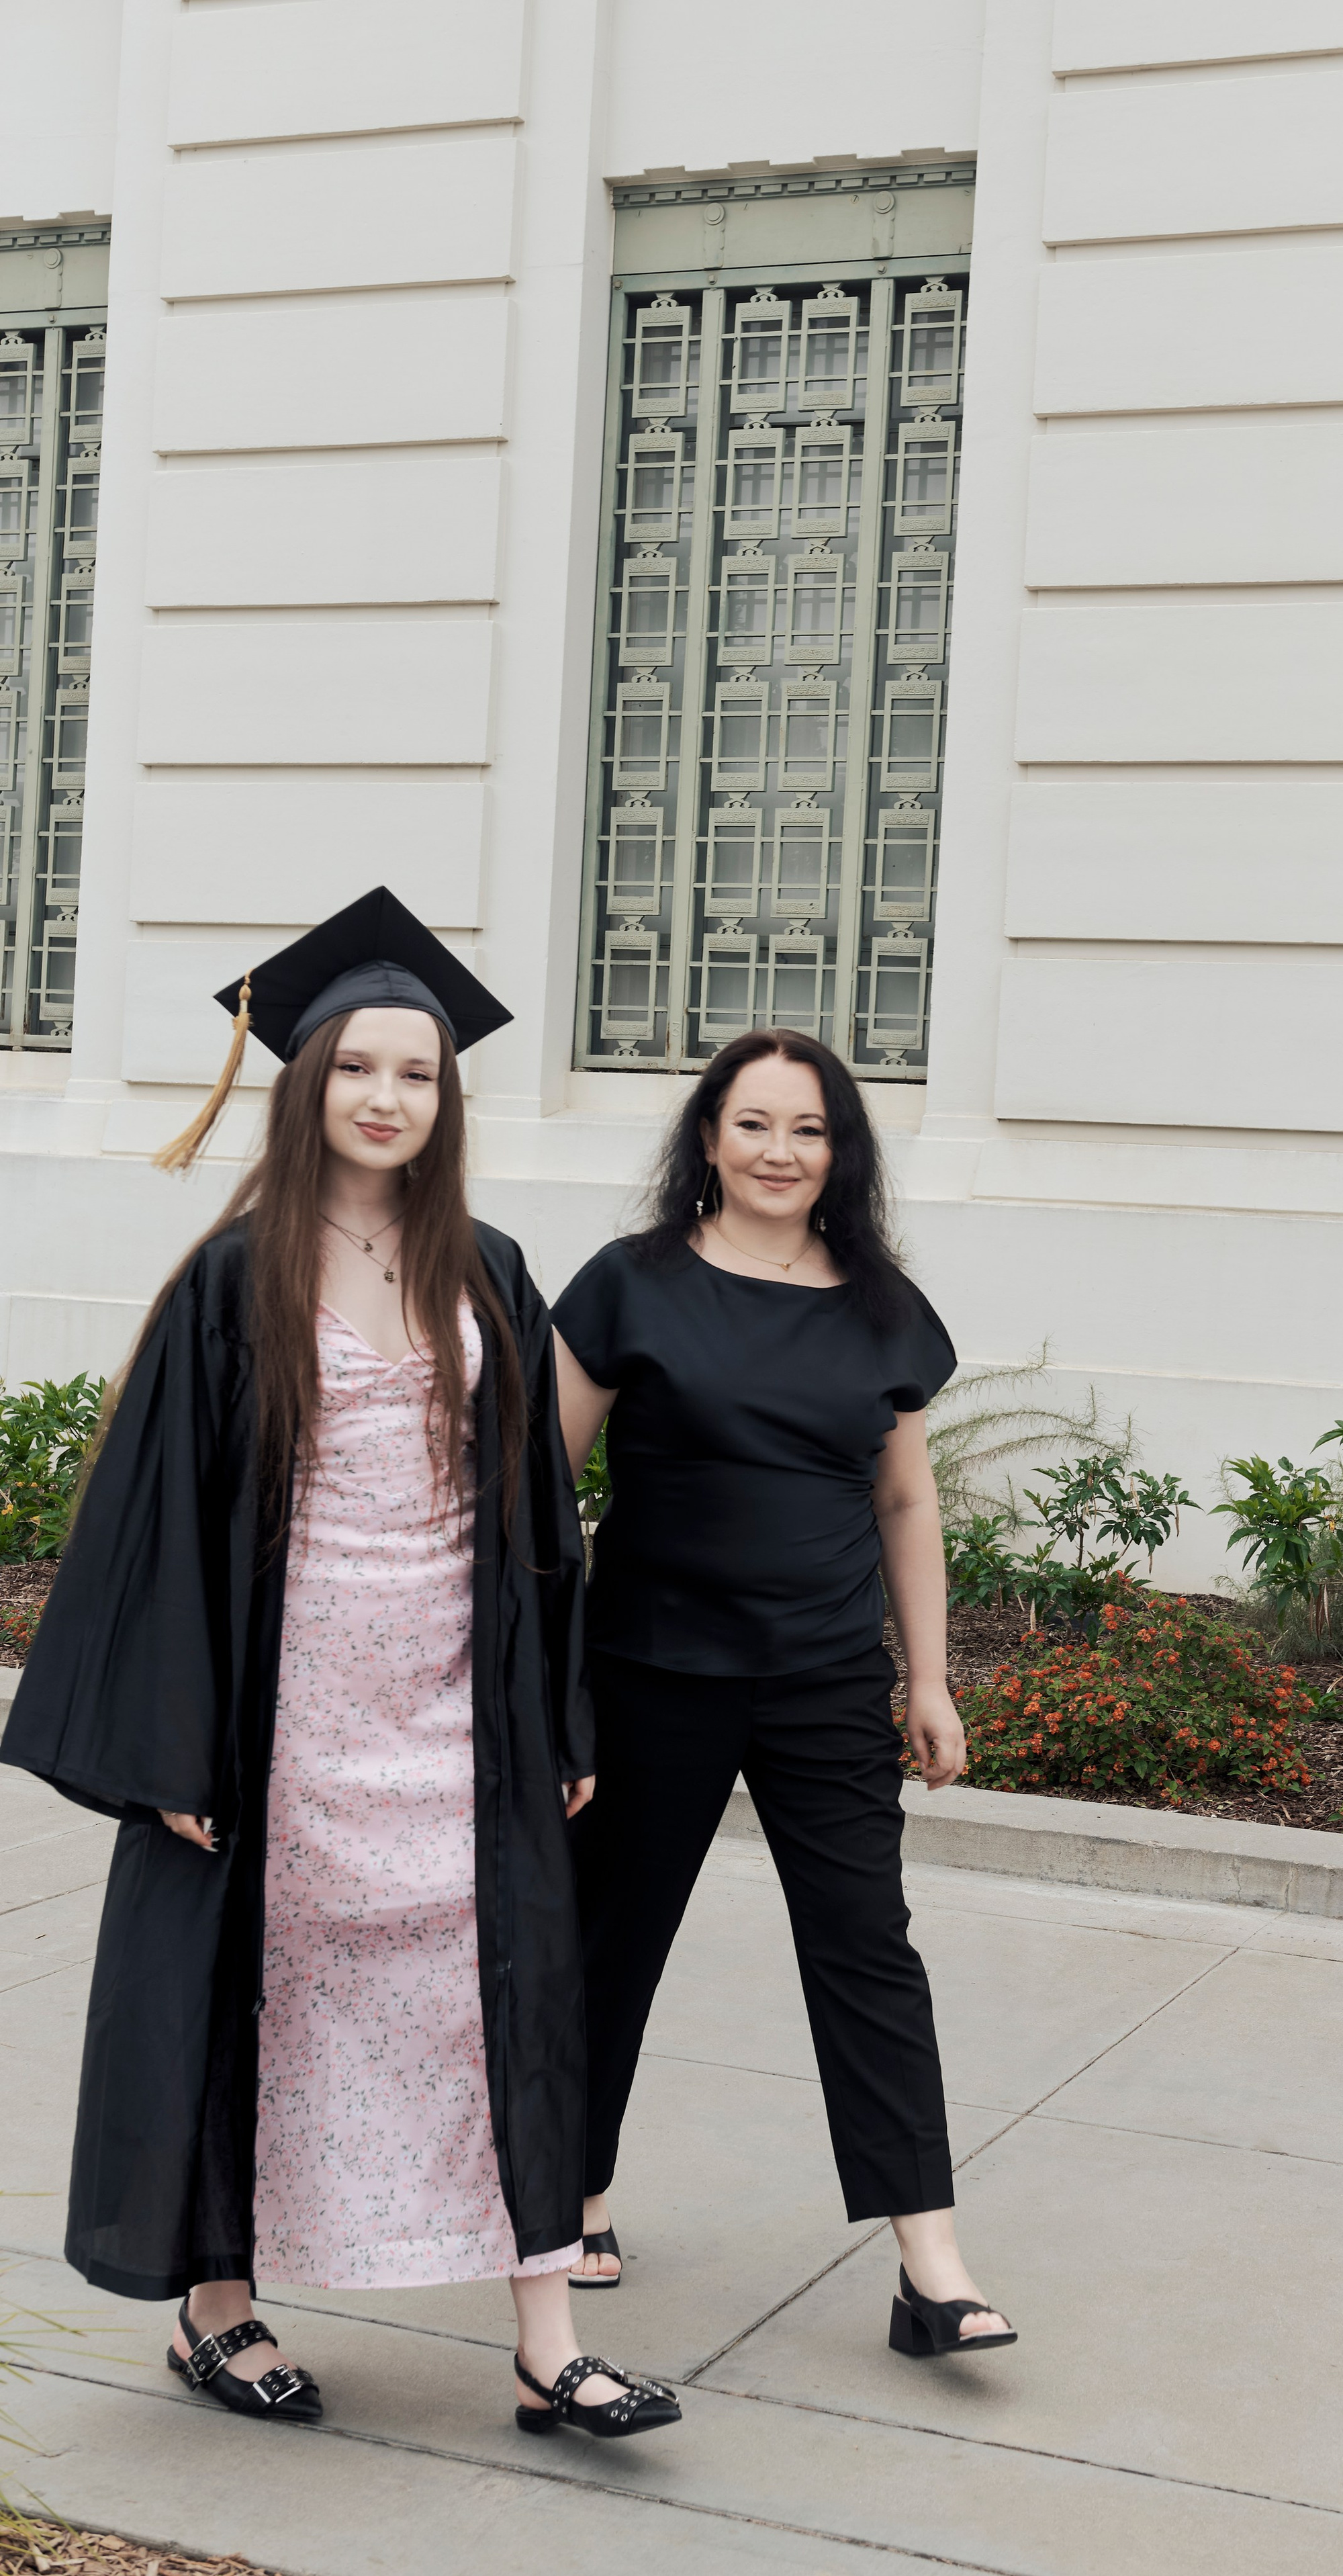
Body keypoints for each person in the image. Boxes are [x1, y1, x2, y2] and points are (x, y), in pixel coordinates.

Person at [0, 888, 678, 2443]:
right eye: (358, 1067)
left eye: (418, 1072)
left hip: (458, 1705)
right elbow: (152, 1528)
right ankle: (218, 2311)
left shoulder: (492, 1269)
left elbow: (541, 1518)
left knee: (501, 2000)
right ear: (307, 1085)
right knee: (258, 2005)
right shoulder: (236, 1279)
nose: (388, 1095)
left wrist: (558, 1706)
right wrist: (173, 1748)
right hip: (281, 1712)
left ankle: (546, 2339)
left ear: (446, 1101)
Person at [550, 1027, 1015, 2359]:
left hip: (820, 1680)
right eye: (752, 1124)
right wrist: (538, 1682)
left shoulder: (880, 1307)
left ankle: (928, 2258)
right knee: (610, 1940)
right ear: (707, 1137)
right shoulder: (626, 1288)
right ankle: (574, 2193)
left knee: (869, 1946)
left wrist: (926, 1678)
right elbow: (541, 1485)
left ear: (838, 1152)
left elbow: (906, 1497)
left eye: (805, 1129)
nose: (776, 1150)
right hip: (645, 1673)